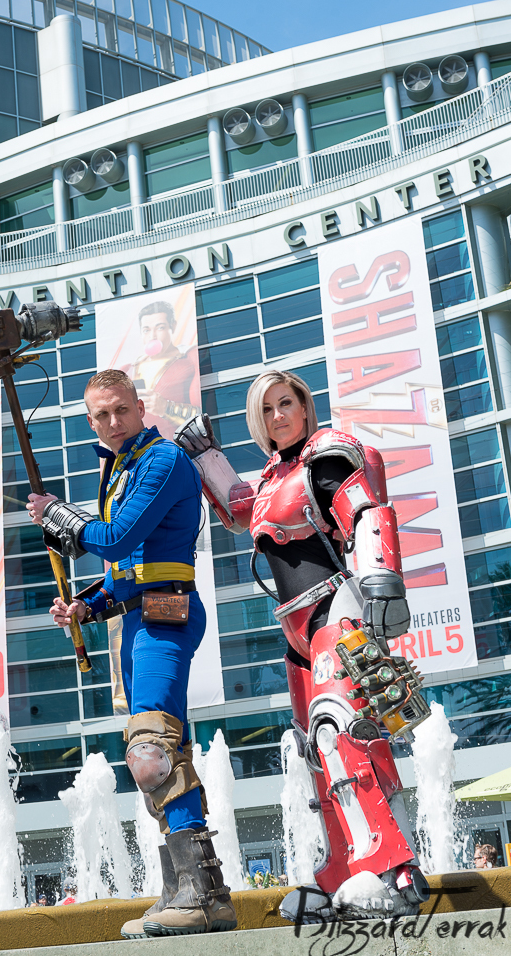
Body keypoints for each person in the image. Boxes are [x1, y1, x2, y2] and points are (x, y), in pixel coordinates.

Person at [174, 369, 431, 923]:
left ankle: (390, 868)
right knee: (315, 749)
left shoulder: (326, 456)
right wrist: (205, 456)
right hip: (296, 629)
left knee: (342, 731)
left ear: (304, 405)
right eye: (266, 410)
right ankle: (342, 869)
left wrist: (383, 579)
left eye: (285, 403)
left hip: (336, 608)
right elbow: (239, 510)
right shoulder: (273, 477)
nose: (278, 416)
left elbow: (366, 509)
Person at [26, 369, 236, 938]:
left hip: (168, 616)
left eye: (121, 409)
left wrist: (58, 516)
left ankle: (200, 895)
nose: (113, 421)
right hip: (144, 617)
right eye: (102, 415)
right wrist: (87, 606)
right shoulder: (121, 468)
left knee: (152, 750)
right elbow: (128, 570)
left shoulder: (162, 459)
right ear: (90, 421)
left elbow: (118, 537)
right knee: (164, 753)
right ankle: (186, 891)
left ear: (141, 408)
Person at [123, 301, 200, 439]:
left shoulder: (189, 359)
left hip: (180, 447)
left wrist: (166, 408)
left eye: (160, 328)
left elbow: (202, 415)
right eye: (146, 330)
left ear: (173, 326)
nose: (152, 336)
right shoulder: (128, 370)